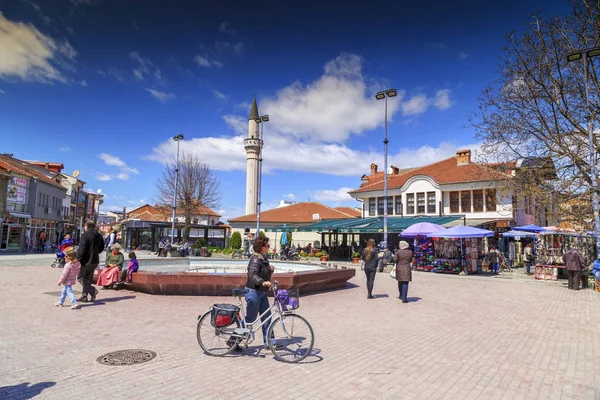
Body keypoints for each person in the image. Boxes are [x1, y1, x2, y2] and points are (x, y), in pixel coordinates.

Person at [243, 236, 277, 349]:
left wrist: (269, 270)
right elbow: (252, 275)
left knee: (267, 317)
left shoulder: (263, 258)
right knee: (250, 319)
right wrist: (262, 282)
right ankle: (233, 340)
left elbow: (262, 273)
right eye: (267, 245)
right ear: (262, 247)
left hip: (261, 292)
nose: (269, 247)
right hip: (253, 291)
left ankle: (270, 342)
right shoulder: (255, 259)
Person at [77, 221, 105, 302]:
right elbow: (102, 248)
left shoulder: (85, 235)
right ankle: (84, 296)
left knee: (80, 277)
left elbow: (82, 248)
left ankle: (92, 291)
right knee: (88, 279)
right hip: (95, 260)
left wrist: (78, 258)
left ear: (87, 226)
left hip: (86, 260)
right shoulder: (99, 235)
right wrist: (95, 253)